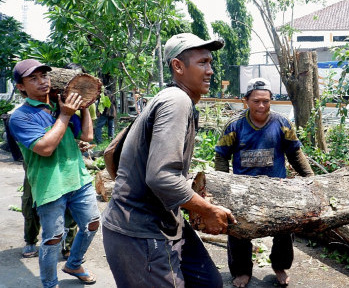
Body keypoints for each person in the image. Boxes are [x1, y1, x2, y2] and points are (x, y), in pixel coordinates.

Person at [101, 33, 235, 288]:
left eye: (210, 63)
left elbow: (111, 152)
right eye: (203, 63)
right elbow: (161, 176)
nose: (210, 70)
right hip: (140, 233)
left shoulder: (166, 98)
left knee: (208, 281)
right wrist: (207, 210)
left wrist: (188, 200)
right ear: (178, 66)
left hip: (163, 222)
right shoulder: (177, 101)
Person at [214, 77, 314, 288]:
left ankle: (280, 266)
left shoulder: (282, 123)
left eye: (266, 101)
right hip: (243, 192)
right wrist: (221, 188)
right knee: (238, 231)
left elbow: (295, 153)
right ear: (246, 101)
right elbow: (221, 156)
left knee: (285, 230)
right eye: (256, 101)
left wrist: (311, 180)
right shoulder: (234, 126)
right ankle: (242, 271)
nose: (262, 106)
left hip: (277, 190)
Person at [9, 59, 101, 287]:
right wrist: (66, 114)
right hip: (50, 185)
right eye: (34, 78)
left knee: (92, 224)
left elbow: (87, 137)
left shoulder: (60, 104)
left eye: (45, 76)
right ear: (21, 86)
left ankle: (74, 263)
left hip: (78, 179)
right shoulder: (20, 116)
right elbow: (45, 148)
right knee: (53, 239)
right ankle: (49, 283)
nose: (43, 82)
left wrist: (85, 105)